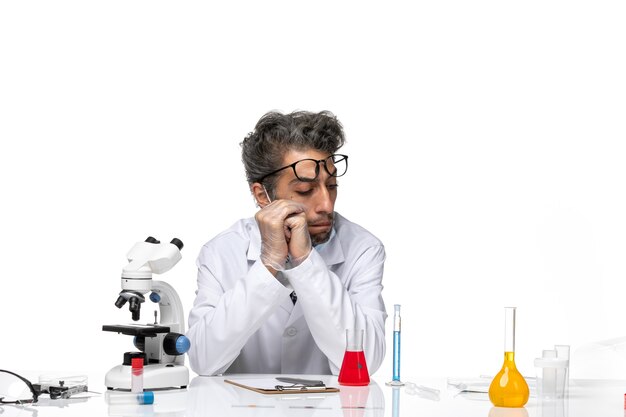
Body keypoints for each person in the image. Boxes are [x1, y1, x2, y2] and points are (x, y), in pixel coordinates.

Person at [187, 110, 387, 376]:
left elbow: (364, 362)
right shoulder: (221, 253)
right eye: (306, 190)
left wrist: (306, 262)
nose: (326, 205)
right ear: (263, 195)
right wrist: (268, 264)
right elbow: (203, 360)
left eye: (332, 185)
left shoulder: (363, 249)